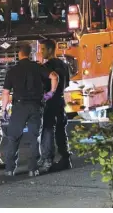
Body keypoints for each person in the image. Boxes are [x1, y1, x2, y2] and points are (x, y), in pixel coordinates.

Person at [2, 44, 58, 177]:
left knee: (13, 137)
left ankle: (10, 169)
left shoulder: (12, 71)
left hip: (19, 107)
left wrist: (4, 109)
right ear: (30, 53)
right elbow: (54, 76)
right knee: (34, 138)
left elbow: (5, 92)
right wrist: (51, 92)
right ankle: (33, 169)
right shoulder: (38, 67)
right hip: (36, 106)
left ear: (19, 54)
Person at [39, 39, 72, 172]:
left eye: (43, 50)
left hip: (50, 100)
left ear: (50, 50)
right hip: (60, 99)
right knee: (60, 128)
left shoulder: (47, 66)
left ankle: (48, 160)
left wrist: (47, 94)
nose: (41, 52)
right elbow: (68, 83)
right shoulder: (64, 65)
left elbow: (44, 84)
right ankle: (65, 158)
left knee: (47, 128)